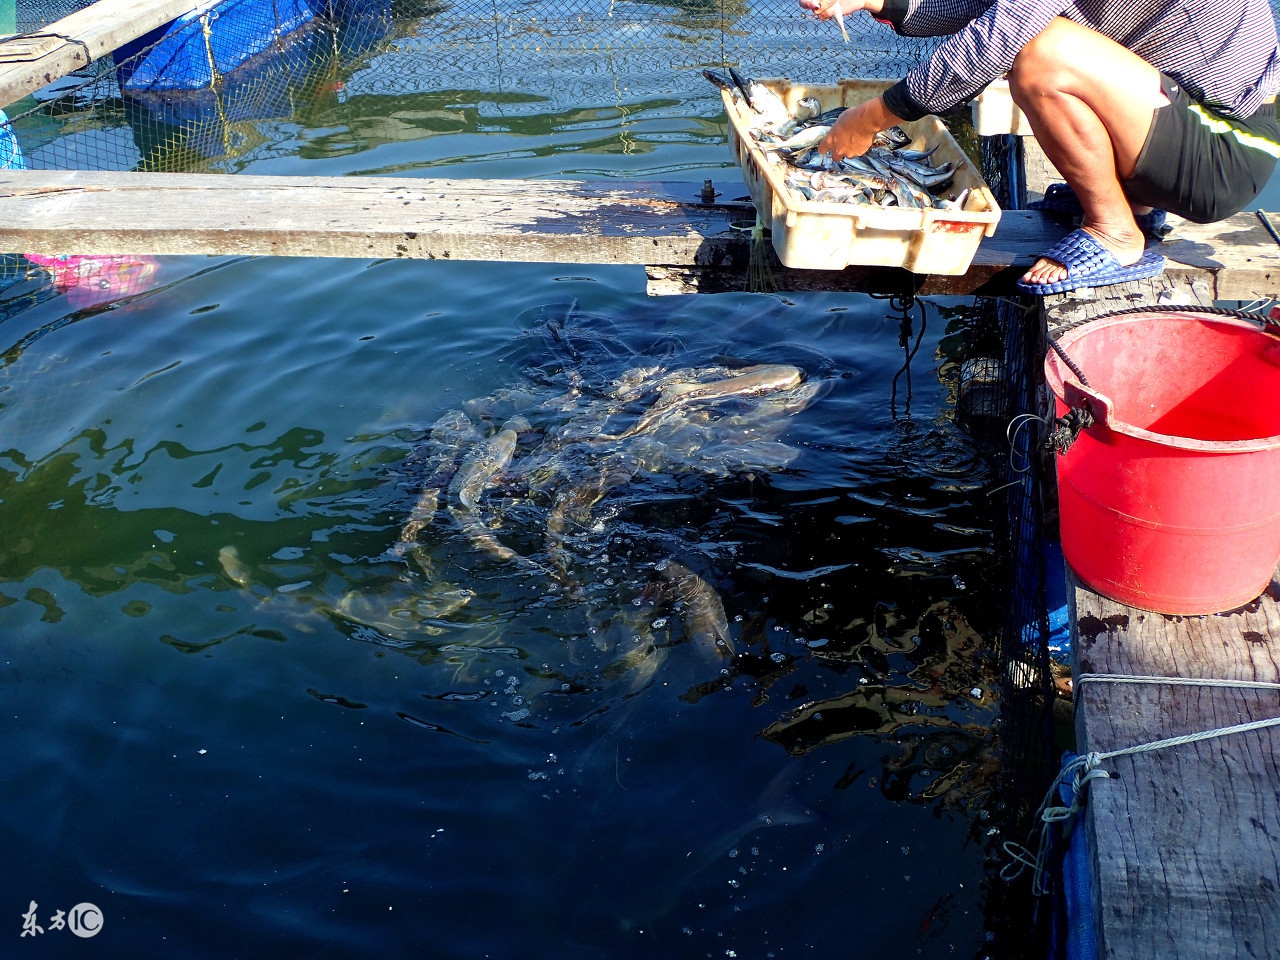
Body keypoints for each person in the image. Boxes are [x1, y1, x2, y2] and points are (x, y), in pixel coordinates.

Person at [800, 0, 1280, 293]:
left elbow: (999, 39)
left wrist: (871, 117)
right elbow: (986, 6)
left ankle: (1116, 231)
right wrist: (879, 1)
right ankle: (1132, 203)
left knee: (1038, 55)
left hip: (1225, 149)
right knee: (1037, 42)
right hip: (1175, 121)